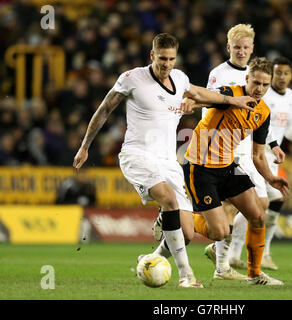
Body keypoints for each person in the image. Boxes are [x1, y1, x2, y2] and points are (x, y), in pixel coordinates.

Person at [73, 33, 256, 288]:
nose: (166, 64)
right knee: (169, 199)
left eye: (171, 59)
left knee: (187, 234)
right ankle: (186, 275)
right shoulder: (132, 78)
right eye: (162, 59)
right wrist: (85, 147)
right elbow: (104, 109)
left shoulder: (179, 79)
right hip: (137, 155)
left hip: (169, 162)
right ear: (152, 55)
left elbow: (202, 94)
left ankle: (151, 259)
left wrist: (232, 101)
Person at [183, 57, 289, 285]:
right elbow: (203, 97)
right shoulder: (230, 95)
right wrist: (192, 102)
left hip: (228, 167)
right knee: (219, 233)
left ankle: (255, 274)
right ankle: (175, 217)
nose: (259, 89)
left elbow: (258, 155)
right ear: (247, 79)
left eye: (265, 84)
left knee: (259, 215)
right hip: (201, 167)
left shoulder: (263, 112)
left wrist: (271, 178)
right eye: (256, 83)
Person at [200, 24, 284, 279]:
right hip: (223, 150)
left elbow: (258, 117)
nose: (241, 51)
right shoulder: (219, 74)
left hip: (246, 150)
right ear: (229, 47)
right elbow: (210, 107)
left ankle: (222, 255)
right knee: (239, 208)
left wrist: (272, 144)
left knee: (258, 205)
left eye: (246, 47)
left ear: (252, 49)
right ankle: (224, 261)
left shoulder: (255, 74)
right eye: (237, 47)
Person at [229, 57, 292, 270]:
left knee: (273, 201)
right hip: (255, 154)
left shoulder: (291, 97)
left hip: (272, 158)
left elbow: (288, 128)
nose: (282, 77)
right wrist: (272, 144)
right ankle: (232, 251)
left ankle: (263, 252)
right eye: (278, 73)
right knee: (255, 204)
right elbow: (261, 125)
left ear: (291, 76)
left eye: (286, 73)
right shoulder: (261, 92)